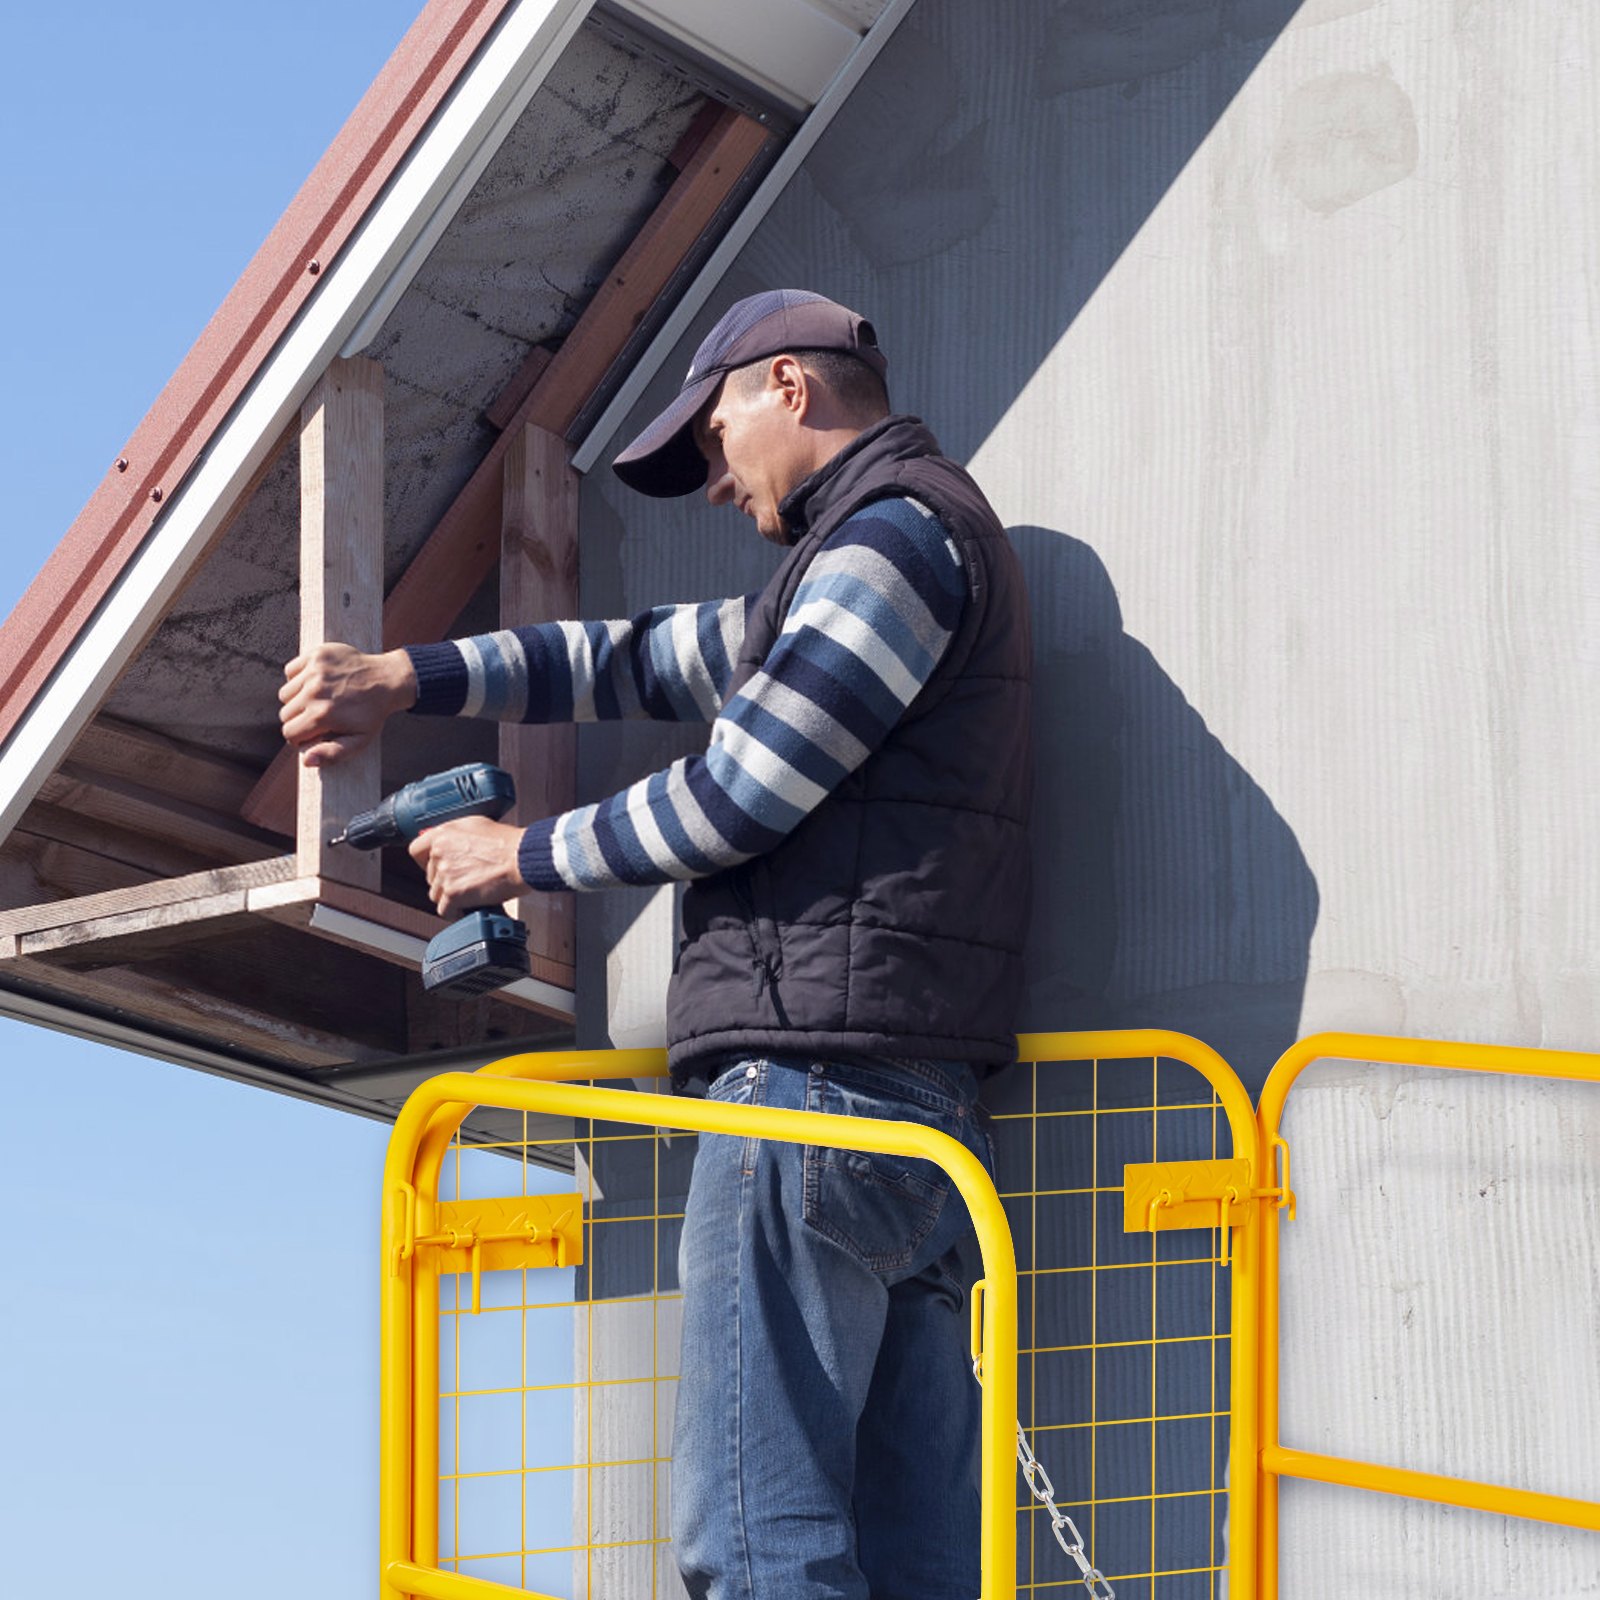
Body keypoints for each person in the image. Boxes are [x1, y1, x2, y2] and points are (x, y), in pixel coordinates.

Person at [279, 289, 1032, 1599]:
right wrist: (410, 680)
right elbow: (628, 659)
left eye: (715, 431)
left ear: (788, 385)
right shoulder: (856, 566)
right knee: (918, 1562)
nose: (711, 481)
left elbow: (742, 793)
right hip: (905, 1115)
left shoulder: (891, 546)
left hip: (812, 1102)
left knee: (753, 1545)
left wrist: (519, 853)